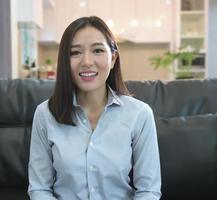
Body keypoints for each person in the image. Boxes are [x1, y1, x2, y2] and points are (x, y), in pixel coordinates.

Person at [28, 16, 161, 200]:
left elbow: (148, 191)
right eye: (75, 53)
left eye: (97, 50)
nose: (87, 61)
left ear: (113, 58)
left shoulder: (140, 114)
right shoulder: (45, 114)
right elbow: (39, 189)